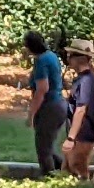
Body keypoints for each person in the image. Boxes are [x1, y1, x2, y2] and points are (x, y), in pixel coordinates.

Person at [23, 33, 70, 175]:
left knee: (43, 150)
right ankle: (65, 171)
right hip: (59, 104)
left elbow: (42, 90)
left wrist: (31, 114)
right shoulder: (51, 56)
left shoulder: (41, 61)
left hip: (50, 107)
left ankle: (49, 179)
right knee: (47, 147)